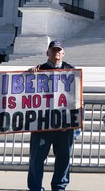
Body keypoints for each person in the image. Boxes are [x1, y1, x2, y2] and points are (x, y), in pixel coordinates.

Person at [27, 40, 76, 191]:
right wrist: (27, 75)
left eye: (59, 50)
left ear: (63, 53)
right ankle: (35, 188)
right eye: (53, 50)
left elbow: (76, 97)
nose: (56, 53)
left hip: (64, 124)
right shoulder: (37, 70)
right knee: (37, 159)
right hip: (42, 124)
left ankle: (59, 187)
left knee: (63, 158)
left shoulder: (72, 71)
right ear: (47, 53)